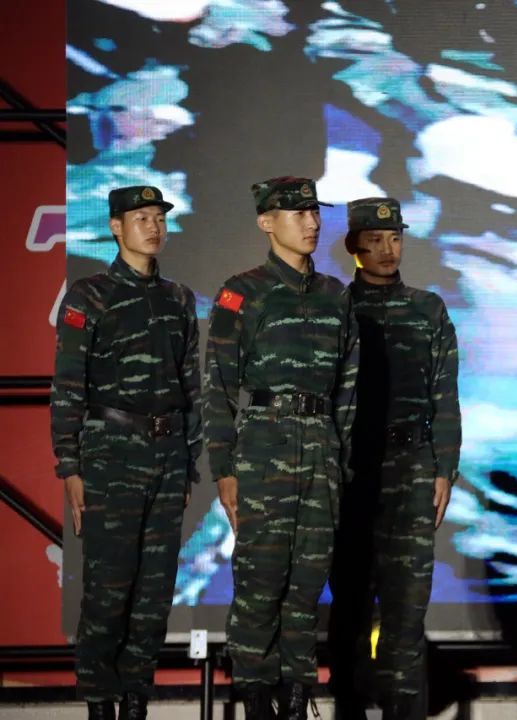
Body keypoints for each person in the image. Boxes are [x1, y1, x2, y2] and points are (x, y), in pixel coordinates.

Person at [203, 177, 358, 720]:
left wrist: (339, 463)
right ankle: (254, 696)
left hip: (321, 450)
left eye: (315, 212)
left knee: (308, 582)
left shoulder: (337, 295)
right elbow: (219, 387)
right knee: (261, 578)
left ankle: (296, 695)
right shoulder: (242, 292)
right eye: (298, 214)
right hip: (264, 448)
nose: (312, 223)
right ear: (266, 223)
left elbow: (349, 391)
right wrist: (224, 468)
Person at [51, 185, 201, 720]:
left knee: (155, 589)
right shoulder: (89, 295)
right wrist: (70, 466)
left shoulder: (179, 298)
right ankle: (100, 701)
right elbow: (69, 384)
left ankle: (136, 699)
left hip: (168, 453)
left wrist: (189, 460)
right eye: (142, 218)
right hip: (111, 453)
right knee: (108, 586)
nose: (154, 227)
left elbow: (191, 383)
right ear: (116, 227)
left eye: (159, 217)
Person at [328, 197, 460, 720]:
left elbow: (444, 395)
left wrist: (444, 468)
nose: (387, 249)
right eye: (375, 240)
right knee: (351, 609)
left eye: (395, 238)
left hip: (411, 469)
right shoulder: (336, 308)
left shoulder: (427, 309)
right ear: (354, 246)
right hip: (352, 472)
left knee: (407, 612)